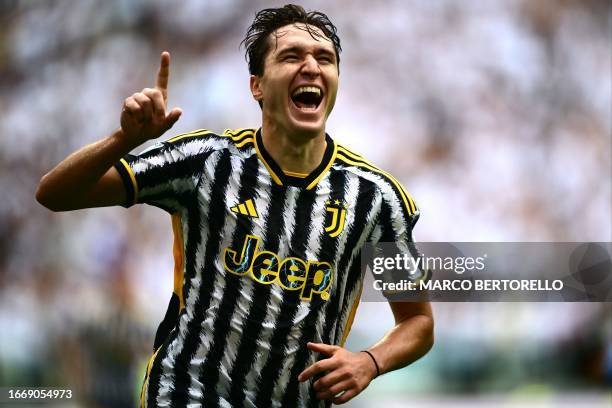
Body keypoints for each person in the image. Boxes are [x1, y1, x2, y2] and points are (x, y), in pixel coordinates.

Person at [36, 4, 433, 407]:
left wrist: (370, 360)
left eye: (324, 58)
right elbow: (54, 194)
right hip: (188, 392)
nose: (312, 66)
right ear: (256, 86)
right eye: (292, 56)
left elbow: (417, 321)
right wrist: (123, 140)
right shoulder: (205, 161)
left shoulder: (374, 199)